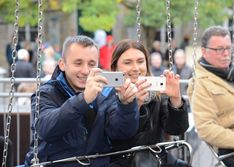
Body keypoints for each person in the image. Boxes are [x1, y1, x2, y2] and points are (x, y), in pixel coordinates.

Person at [25, 35, 139, 167]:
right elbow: (46, 129)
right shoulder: (46, 93)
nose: (85, 71)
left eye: (91, 64)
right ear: (62, 64)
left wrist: (126, 105)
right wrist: (83, 100)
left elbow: (121, 132)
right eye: (78, 63)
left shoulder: (107, 92)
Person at [109, 39, 189, 166]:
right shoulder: (107, 96)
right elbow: (120, 134)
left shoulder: (154, 95)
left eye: (140, 61)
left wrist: (175, 99)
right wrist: (134, 105)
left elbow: (177, 129)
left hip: (156, 159)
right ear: (115, 67)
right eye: (128, 62)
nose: (136, 68)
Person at [187, 26, 234, 166]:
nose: (226, 53)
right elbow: (206, 128)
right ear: (204, 51)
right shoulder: (200, 83)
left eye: (228, 48)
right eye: (219, 49)